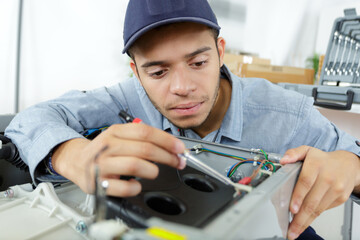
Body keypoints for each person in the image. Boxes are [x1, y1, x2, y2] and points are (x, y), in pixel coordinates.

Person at [5, 0, 360, 239]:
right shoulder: (126, 99)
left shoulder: (286, 114)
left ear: (221, 52)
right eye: (158, 72)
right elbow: (29, 120)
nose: (182, 88)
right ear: (136, 73)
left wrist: (352, 167)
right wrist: (73, 154)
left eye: (198, 62)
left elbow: (353, 162)